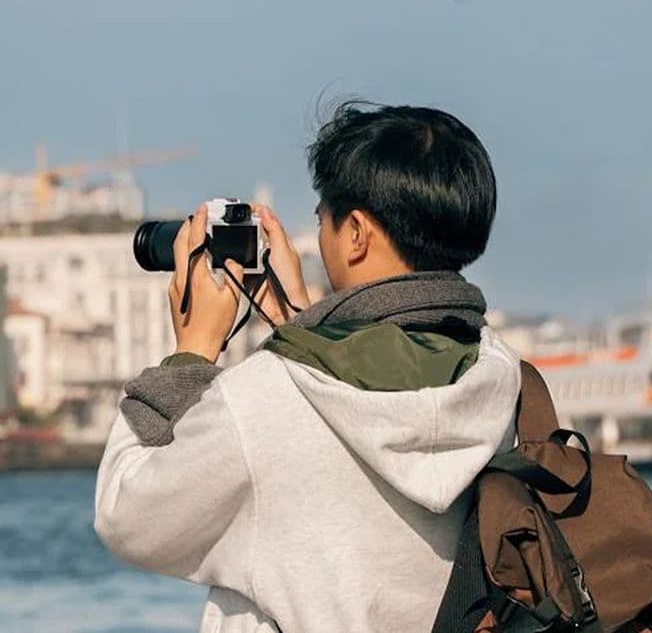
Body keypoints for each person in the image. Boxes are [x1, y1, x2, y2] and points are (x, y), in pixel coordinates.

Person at [94, 102, 522, 633]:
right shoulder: (504, 381)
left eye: (323, 220)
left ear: (358, 234)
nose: (319, 238)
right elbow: (361, 394)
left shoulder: (267, 400)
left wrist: (193, 351)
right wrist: (304, 329)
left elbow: (129, 518)